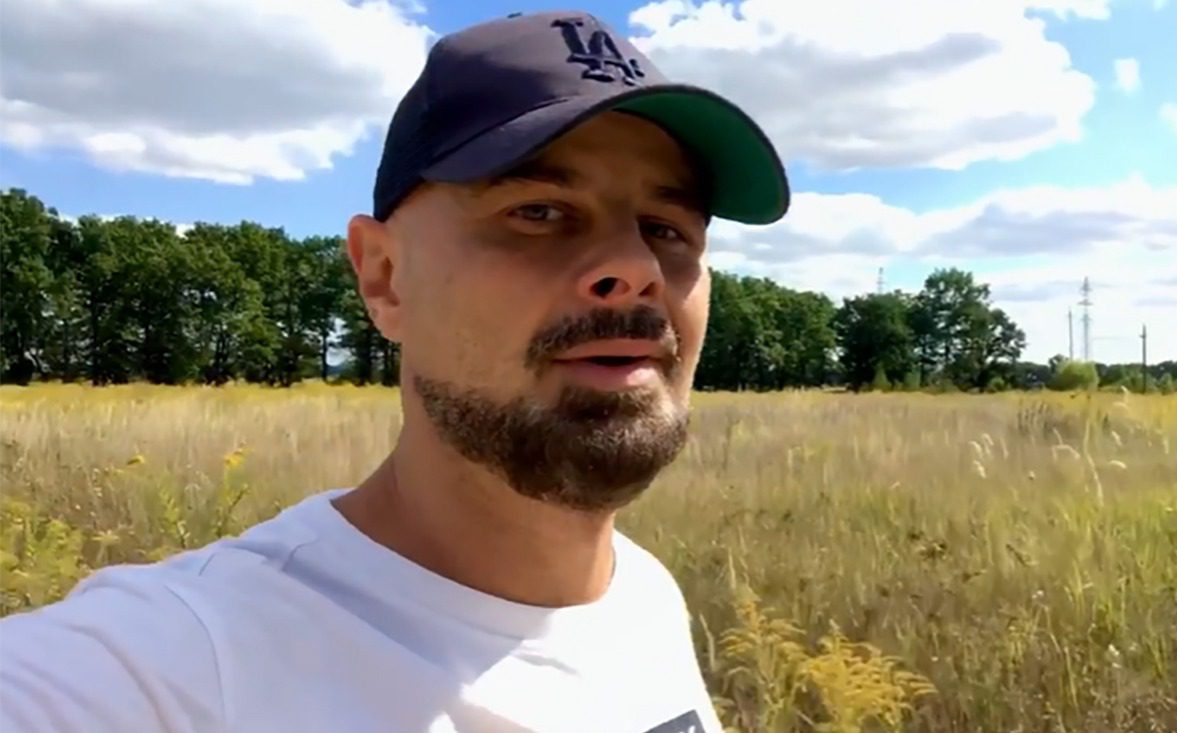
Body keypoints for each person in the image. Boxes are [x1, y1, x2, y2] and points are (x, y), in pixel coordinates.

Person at [0, 9, 788, 733]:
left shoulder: (642, 597)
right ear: (383, 277)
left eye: (666, 226)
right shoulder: (179, 664)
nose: (635, 266)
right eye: (540, 212)